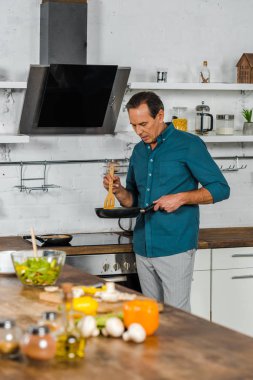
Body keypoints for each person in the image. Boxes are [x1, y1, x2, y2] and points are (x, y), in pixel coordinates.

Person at [103, 91, 230, 312]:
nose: (139, 131)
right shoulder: (138, 151)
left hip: (175, 245)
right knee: (151, 316)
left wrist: (181, 198)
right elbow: (133, 200)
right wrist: (118, 190)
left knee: (178, 318)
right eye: (133, 125)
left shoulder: (189, 144)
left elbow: (221, 189)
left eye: (143, 124)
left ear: (160, 115)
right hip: (143, 246)